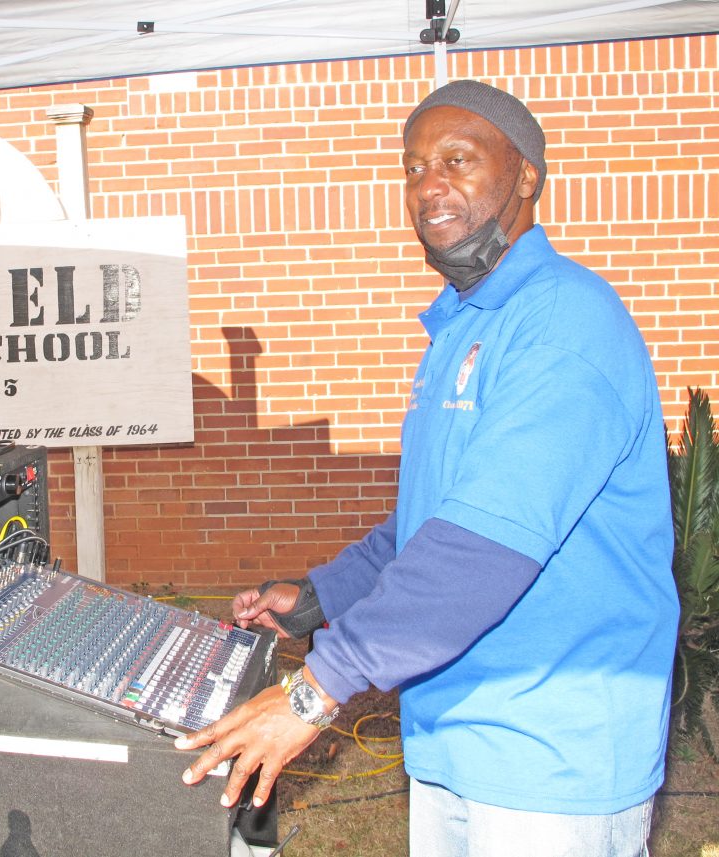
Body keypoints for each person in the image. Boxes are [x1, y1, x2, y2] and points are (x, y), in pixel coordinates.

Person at [175, 80, 679, 857]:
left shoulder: (564, 322)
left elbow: (480, 548)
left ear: (525, 175)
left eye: (457, 159)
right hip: (456, 734)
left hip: (551, 751)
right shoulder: (460, 328)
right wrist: (320, 596)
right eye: (414, 168)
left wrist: (315, 689)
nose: (429, 185)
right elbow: (436, 517)